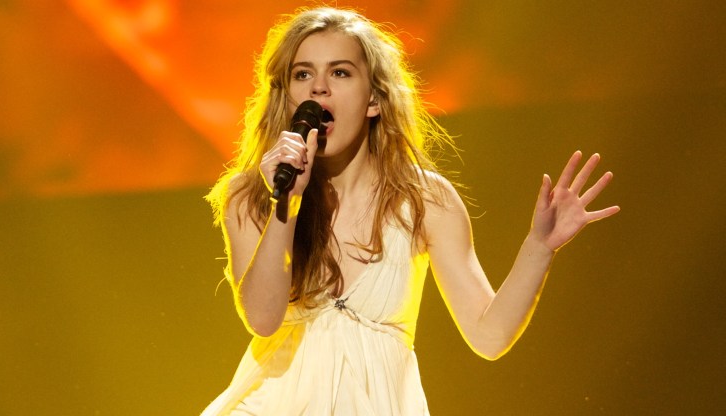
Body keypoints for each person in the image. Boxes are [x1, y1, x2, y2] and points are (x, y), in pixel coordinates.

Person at [202, 6, 619, 415]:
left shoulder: (426, 200)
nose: (319, 88)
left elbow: (488, 337)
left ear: (374, 101)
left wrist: (539, 247)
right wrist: (287, 204)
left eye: (341, 72)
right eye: (303, 74)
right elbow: (262, 318)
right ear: (288, 94)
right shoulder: (252, 196)